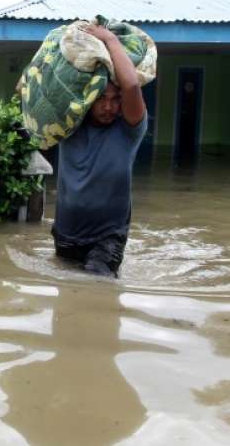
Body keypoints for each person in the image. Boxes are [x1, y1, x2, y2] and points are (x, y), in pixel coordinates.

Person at [52, 24, 148, 278]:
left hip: (108, 238)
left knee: (97, 288)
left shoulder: (129, 131)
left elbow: (131, 88)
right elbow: (57, 84)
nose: (108, 107)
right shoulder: (69, 124)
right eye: (101, 98)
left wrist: (109, 40)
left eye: (115, 100)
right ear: (88, 98)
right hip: (65, 233)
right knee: (67, 304)